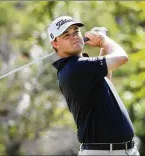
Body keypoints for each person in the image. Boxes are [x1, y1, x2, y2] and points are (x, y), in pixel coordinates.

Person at [47, 16, 140, 155]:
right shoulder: (75, 67)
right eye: (66, 35)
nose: (74, 37)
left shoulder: (78, 66)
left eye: (76, 31)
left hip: (123, 151)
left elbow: (105, 79)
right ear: (55, 43)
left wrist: (103, 47)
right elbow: (122, 57)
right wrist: (104, 40)